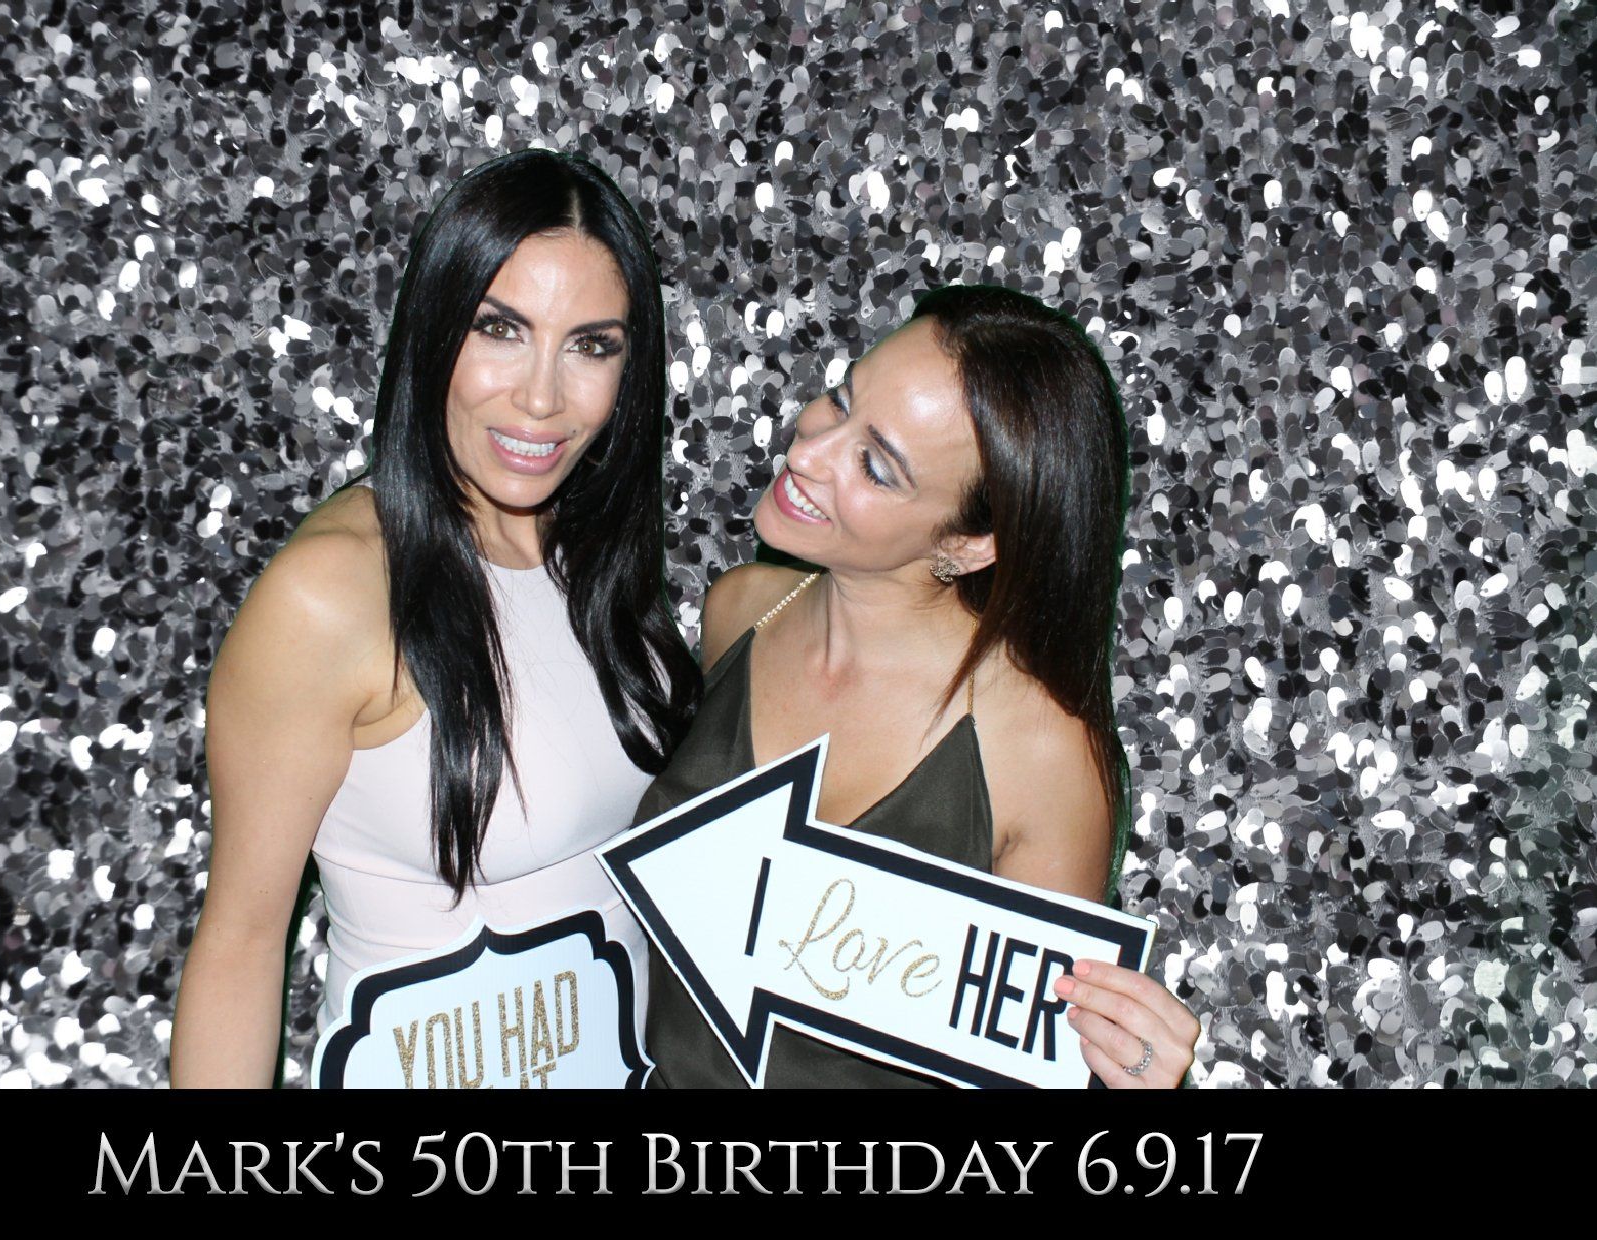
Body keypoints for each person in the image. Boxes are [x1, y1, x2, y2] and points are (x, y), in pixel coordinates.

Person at [169, 149, 700, 1087]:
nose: (542, 397)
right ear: (433, 329)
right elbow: (242, 943)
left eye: (591, 345)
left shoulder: (591, 549)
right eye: (500, 329)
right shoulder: (333, 593)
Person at [635, 284, 1202, 1088]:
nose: (808, 452)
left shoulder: (1040, 753)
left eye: (875, 465)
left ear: (969, 545)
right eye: (842, 399)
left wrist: (1133, 1078)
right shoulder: (740, 611)